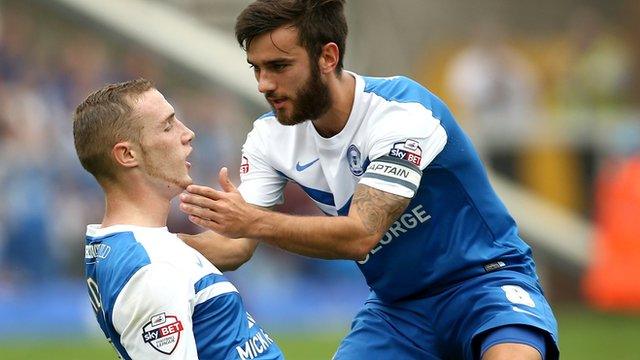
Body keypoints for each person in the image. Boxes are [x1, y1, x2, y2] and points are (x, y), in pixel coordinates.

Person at [179, 1, 559, 359]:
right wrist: (150, 247)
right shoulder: (269, 137)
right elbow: (235, 246)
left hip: (485, 286)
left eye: (279, 66)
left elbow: (362, 233)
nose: (264, 84)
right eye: (256, 69)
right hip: (398, 310)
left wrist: (254, 221)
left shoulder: (402, 114)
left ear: (327, 57)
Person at [73, 78, 283, 360]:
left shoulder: (140, 246)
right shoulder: (150, 270)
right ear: (127, 154)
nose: (188, 134)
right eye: (168, 126)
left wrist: (258, 195)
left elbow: (234, 250)